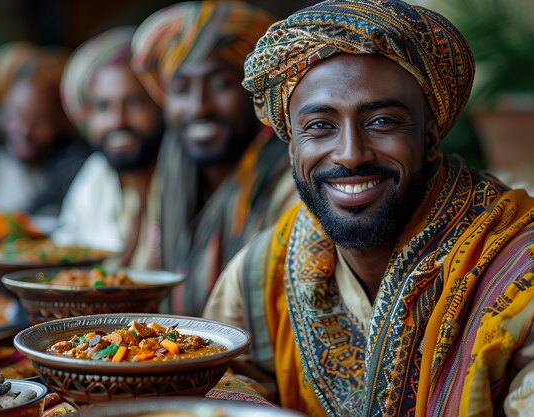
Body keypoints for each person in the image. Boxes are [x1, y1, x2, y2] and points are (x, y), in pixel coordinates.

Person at [202, 1, 534, 415]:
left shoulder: (520, 269)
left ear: (431, 138)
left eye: (381, 122)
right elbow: (213, 377)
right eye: (320, 126)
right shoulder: (268, 267)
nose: (350, 154)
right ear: (291, 145)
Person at [131, 1, 298, 315]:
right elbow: (143, 275)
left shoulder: (290, 178)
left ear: (256, 92)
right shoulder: (171, 167)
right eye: (181, 88)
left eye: (220, 84)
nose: (198, 107)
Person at [51, 27, 164, 267]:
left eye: (133, 103)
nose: (117, 121)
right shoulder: (95, 175)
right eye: (103, 106)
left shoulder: (184, 181)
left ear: (159, 104)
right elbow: (62, 256)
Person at [0, 42, 90, 216]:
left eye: (39, 122)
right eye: (12, 115)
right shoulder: (0, 161)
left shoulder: (74, 169)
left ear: (65, 121)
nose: (22, 130)